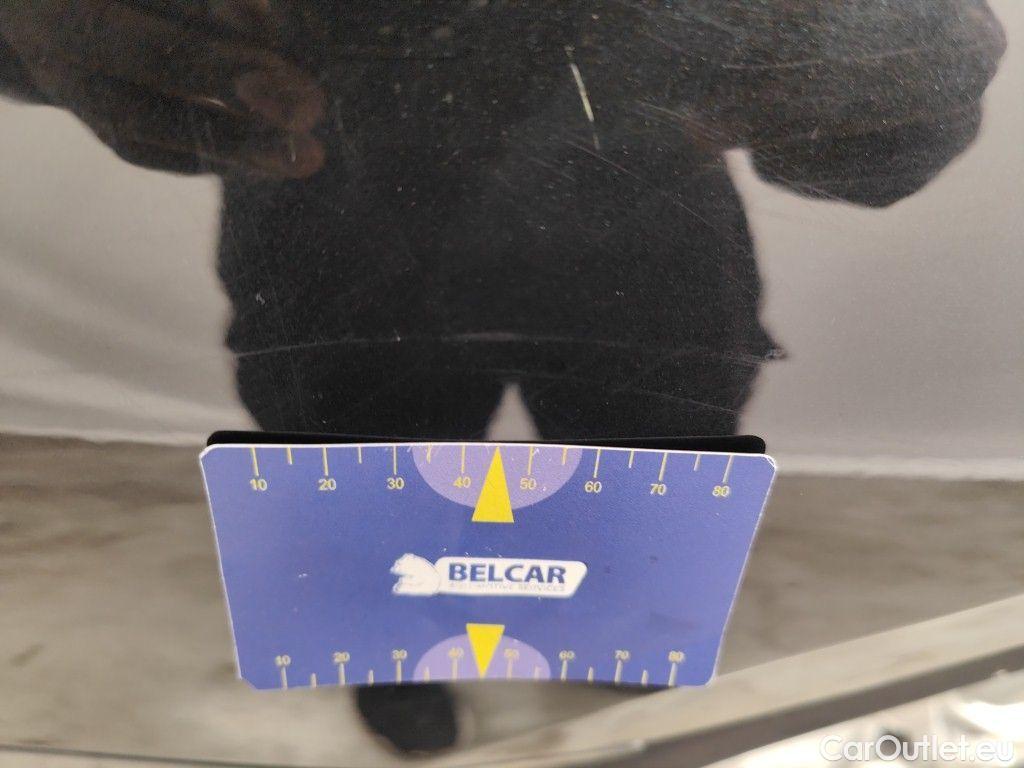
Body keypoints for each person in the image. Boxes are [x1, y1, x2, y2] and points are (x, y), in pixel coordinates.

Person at [0, 0, 1005, 753]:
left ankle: (600, 635)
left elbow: (875, 99)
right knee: (369, 476)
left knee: (641, 467)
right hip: (343, 210)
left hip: (626, 207)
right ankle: (401, 660)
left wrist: (892, 77)